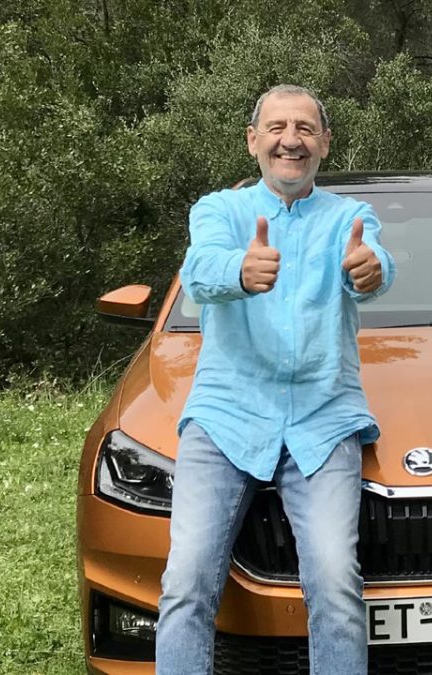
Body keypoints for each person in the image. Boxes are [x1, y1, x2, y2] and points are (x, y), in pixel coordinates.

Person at [156, 84, 395, 675]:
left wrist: (370, 271)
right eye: (278, 128)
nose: (292, 140)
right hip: (226, 416)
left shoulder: (350, 217)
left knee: (336, 583)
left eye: (306, 129)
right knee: (185, 581)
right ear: (253, 140)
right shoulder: (219, 210)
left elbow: (375, 265)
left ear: (325, 144)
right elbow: (200, 269)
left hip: (324, 417)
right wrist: (239, 270)